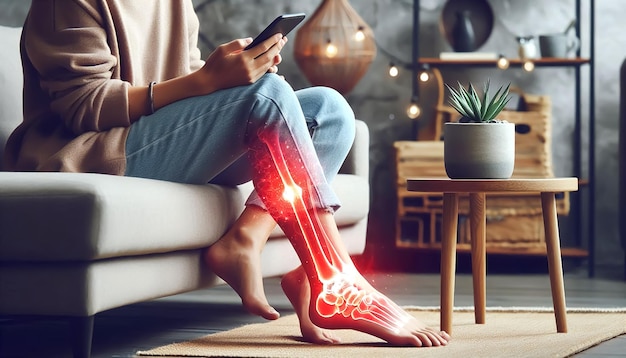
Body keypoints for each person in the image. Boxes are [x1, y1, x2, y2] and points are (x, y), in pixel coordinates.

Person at [5, 0, 449, 347]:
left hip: (161, 141)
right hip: (93, 150)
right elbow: (85, 106)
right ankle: (337, 280)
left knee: (330, 111)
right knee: (271, 97)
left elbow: (183, 81)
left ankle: (248, 241)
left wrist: (229, 74)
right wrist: (206, 83)